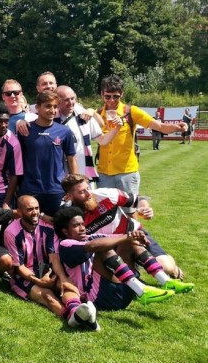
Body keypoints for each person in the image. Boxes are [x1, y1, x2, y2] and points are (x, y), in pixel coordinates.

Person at [53, 207, 194, 318]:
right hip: (99, 298)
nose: (82, 228)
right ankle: (142, 290)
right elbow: (94, 246)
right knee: (103, 248)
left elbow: (119, 237)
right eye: (76, 226)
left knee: (129, 243)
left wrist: (135, 236)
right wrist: (128, 236)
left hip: (122, 293)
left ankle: (165, 281)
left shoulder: (91, 236)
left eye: (83, 224)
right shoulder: (66, 245)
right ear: (65, 231)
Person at [61, 173, 189, 281]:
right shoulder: (68, 215)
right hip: (110, 248)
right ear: (69, 196)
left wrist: (145, 208)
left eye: (88, 188)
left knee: (166, 268)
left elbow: (139, 199)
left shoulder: (105, 194)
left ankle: (171, 266)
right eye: (81, 192)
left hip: (135, 234)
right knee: (119, 280)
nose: (88, 193)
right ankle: (135, 265)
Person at [96, 75, 186, 210]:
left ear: (122, 94)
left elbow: (160, 126)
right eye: (107, 96)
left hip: (126, 173)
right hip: (104, 174)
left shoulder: (131, 112)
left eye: (116, 96)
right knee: (105, 214)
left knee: (129, 212)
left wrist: (177, 127)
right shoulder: (97, 114)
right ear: (102, 94)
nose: (112, 100)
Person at [3, 196, 95, 329]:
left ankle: (77, 311)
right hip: (24, 274)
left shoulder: (47, 227)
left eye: (36, 208)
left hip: (46, 270)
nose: (35, 212)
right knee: (48, 296)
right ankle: (72, 316)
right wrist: (39, 281)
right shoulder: (11, 232)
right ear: (20, 212)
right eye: (30, 209)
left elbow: (53, 257)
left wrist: (62, 278)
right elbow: (19, 267)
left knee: (66, 285)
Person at [17, 91, 76, 216]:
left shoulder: (64, 131)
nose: (52, 110)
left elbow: (71, 159)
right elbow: (18, 159)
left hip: (56, 189)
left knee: (57, 223)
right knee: (30, 223)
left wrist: (74, 186)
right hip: (30, 189)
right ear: (37, 107)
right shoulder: (25, 130)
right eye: (48, 106)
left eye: (55, 106)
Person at [55, 86, 105, 187]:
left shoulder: (83, 116)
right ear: (57, 101)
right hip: (58, 173)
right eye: (66, 100)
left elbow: (102, 136)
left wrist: (92, 111)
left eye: (72, 98)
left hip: (83, 171)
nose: (70, 102)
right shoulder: (50, 119)